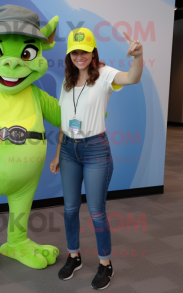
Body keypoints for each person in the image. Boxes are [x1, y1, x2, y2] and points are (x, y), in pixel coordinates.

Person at [50, 27, 143, 290]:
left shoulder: (104, 74)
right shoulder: (67, 82)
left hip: (95, 150)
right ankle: (74, 256)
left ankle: (105, 264)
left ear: (93, 52)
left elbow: (133, 78)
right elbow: (63, 122)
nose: (80, 56)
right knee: (69, 209)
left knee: (96, 212)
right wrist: (57, 154)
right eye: (75, 52)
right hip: (68, 149)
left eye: (85, 51)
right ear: (70, 55)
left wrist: (138, 57)